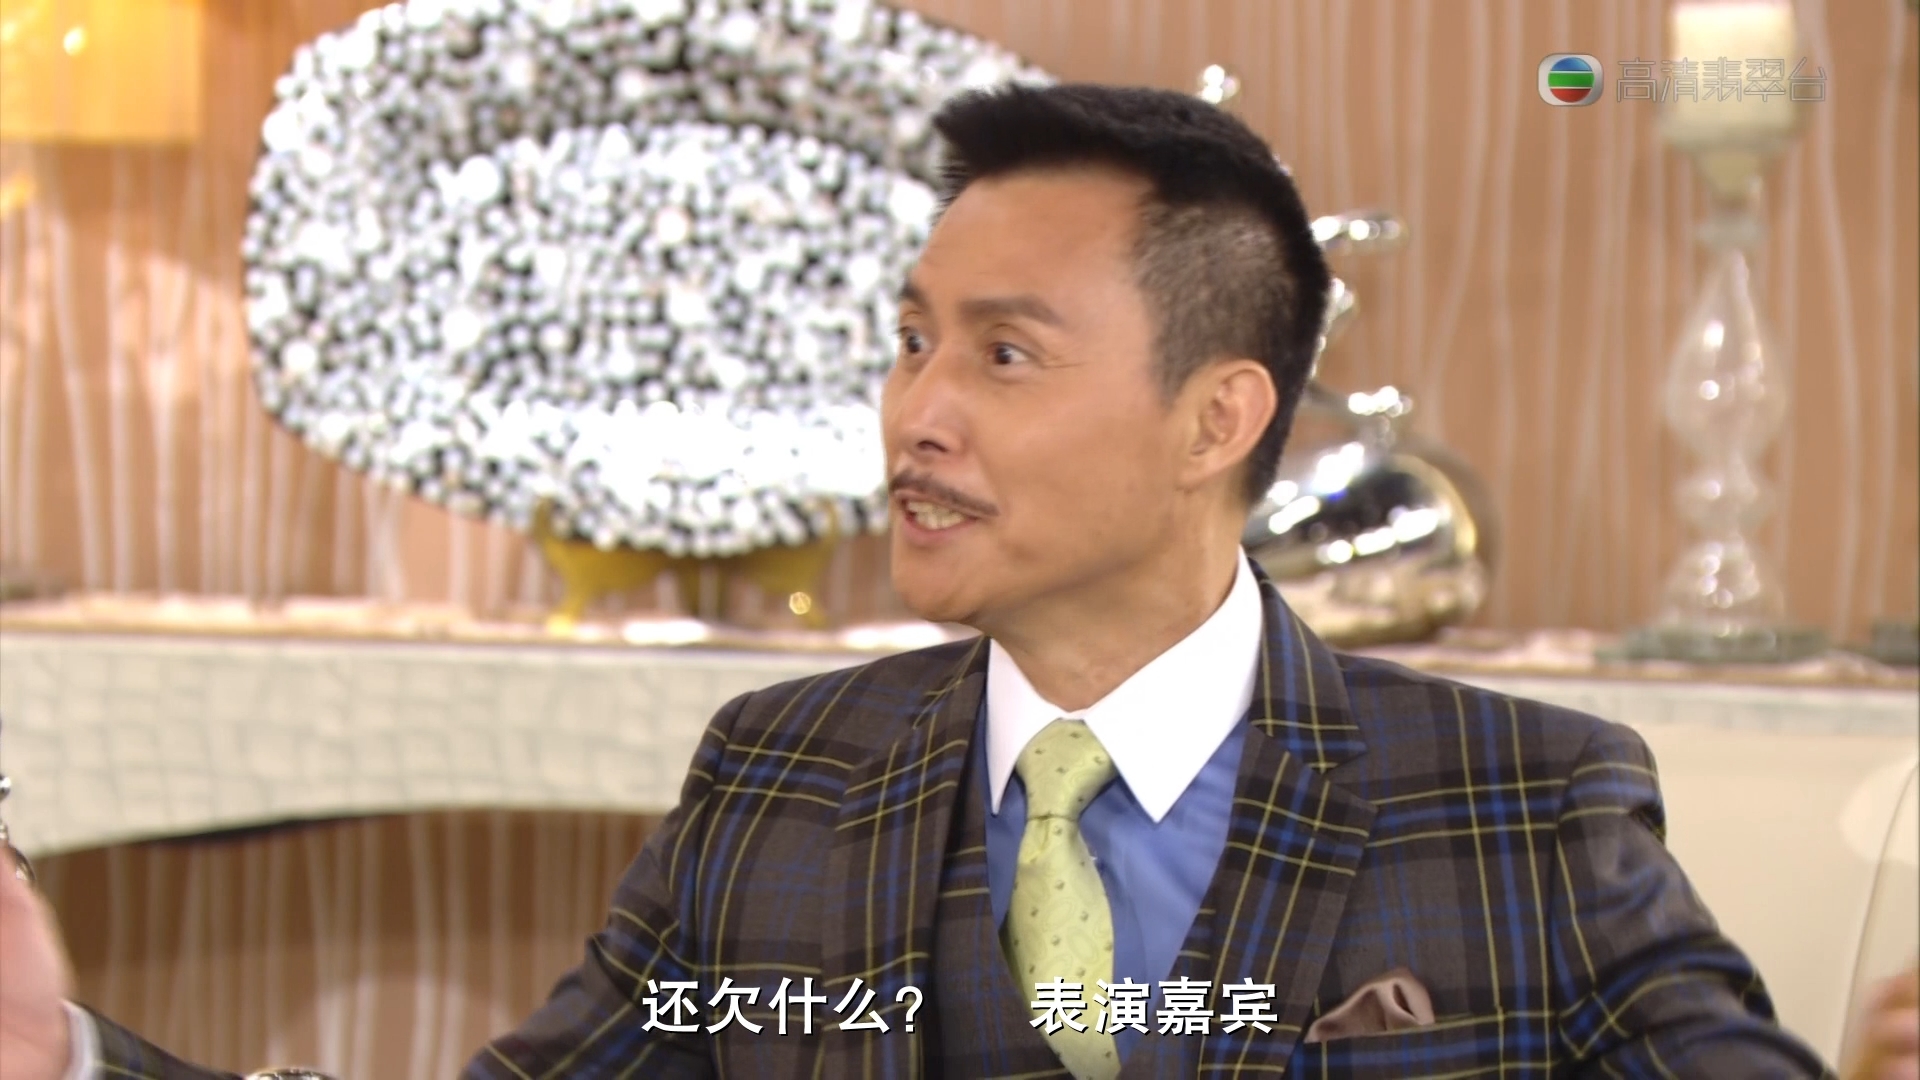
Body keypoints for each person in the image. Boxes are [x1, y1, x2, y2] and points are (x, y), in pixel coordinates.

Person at [1, 82, 1915, 1080]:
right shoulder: (777, 779)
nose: (917, 412)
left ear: (1216, 416)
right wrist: (70, 1060)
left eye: (1004, 354)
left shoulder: (1522, 805)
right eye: (913, 341)